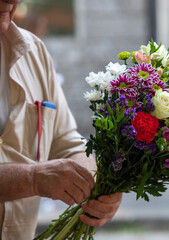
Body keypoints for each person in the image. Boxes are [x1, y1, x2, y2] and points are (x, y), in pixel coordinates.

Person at [0, 0, 122, 239]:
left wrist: (99, 188)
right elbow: (39, 175)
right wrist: (32, 179)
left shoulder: (33, 51)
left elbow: (67, 142)